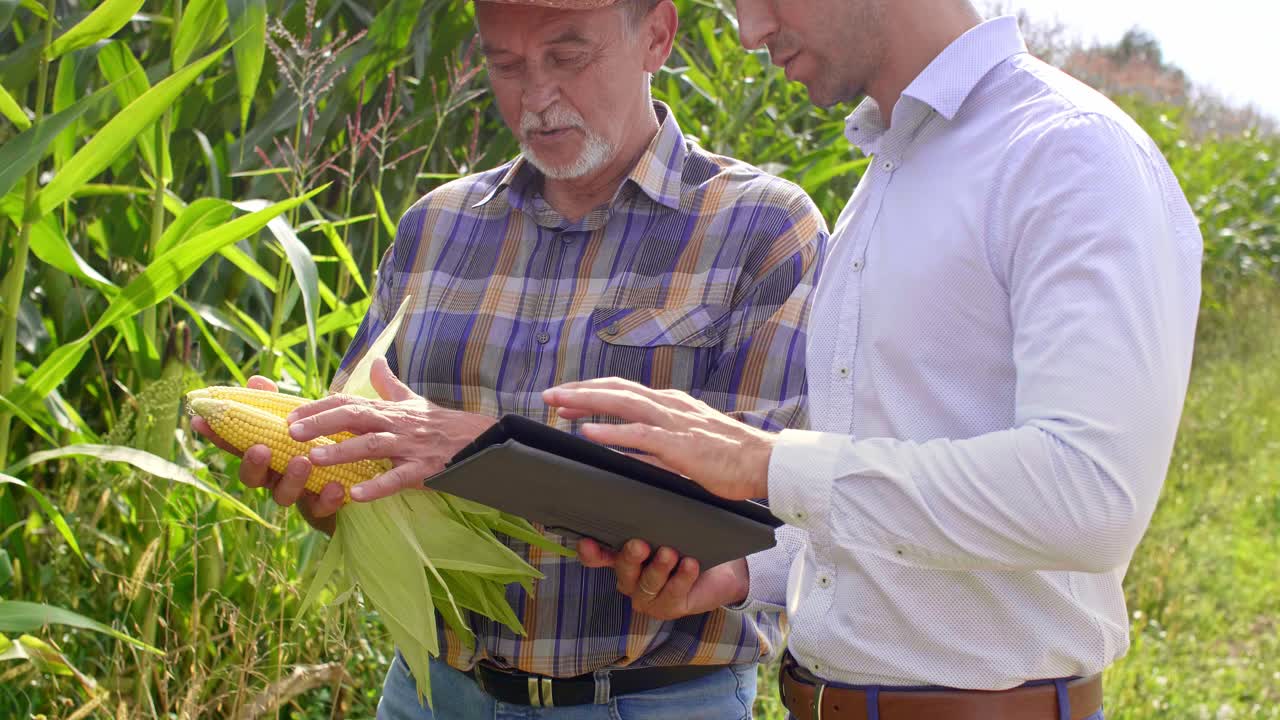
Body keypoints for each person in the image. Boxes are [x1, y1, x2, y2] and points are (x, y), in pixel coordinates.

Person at [540, 2, 1204, 719]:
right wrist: (745, 570)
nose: (749, 32)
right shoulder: (893, 170)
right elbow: (891, 501)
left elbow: (1089, 496)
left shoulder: (1068, 152)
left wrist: (765, 464)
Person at [196, 0, 828, 717]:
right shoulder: (436, 227)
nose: (536, 98)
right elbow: (384, 469)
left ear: (656, 34)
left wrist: (489, 453)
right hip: (433, 693)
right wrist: (327, 480)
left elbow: (765, 511)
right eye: (505, 65)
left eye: (567, 57)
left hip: (649, 701)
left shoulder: (763, 230)